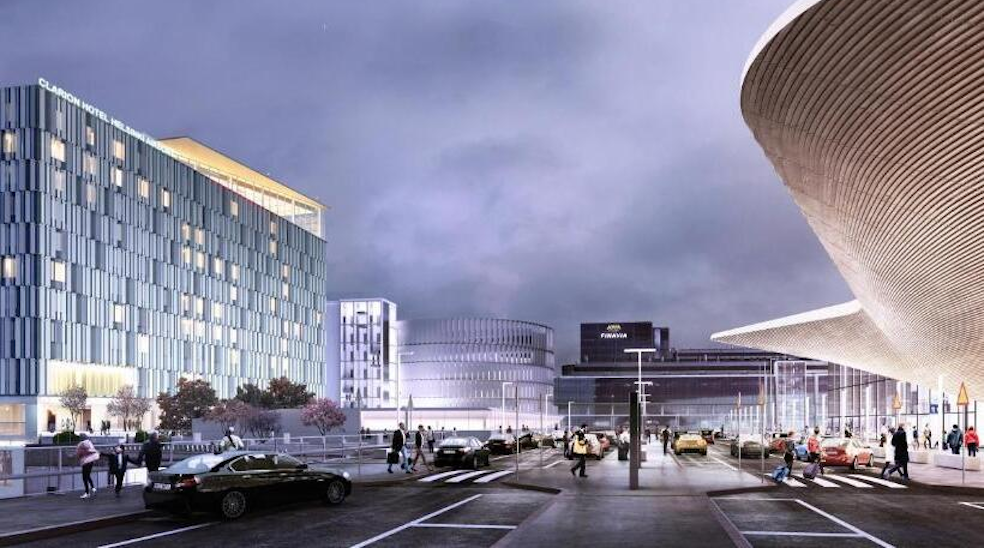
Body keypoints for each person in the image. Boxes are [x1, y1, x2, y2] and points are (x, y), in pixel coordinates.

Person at [75, 433, 100, 499]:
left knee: (84, 477)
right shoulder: (90, 442)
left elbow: (78, 453)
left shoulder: (81, 444)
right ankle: (93, 488)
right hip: (91, 461)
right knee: (88, 475)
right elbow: (93, 451)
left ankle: (87, 493)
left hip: (85, 461)